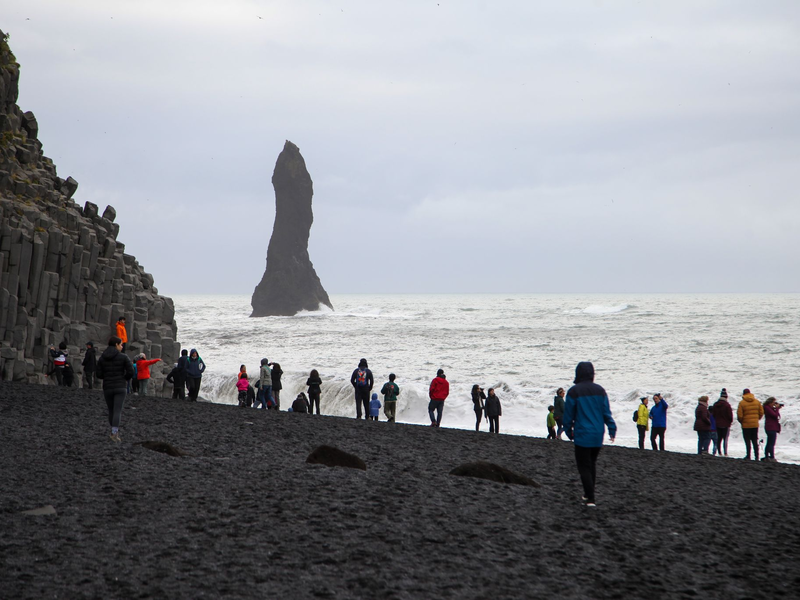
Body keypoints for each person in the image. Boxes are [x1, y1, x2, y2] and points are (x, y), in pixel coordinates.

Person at [562, 362, 616, 508]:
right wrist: (612, 428)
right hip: (598, 434)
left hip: (582, 433)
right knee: (591, 464)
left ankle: (590, 498)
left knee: (584, 466)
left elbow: (568, 414)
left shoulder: (574, 391)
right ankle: (587, 494)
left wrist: (568, 431)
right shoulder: (600, 390)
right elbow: (606, 412)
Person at [95, 336, 134, 442]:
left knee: (111, 410)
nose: (122, 346)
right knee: (117, 410)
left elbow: (98, 374)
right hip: (120, 386)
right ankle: (114, 433)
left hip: (107, 387)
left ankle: (113, 431)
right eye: (121, 344)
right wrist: (124, 378)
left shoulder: (102, 358)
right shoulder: (123, 357)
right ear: (116, 345)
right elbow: (131, 371)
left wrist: (107, 377)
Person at [737, 388, 764, 460]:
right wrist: (757, 419)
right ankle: (756, 456)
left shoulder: (742, 403)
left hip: (746, 425)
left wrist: (742, 421)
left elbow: (740, 415)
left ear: (743, 394)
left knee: (747, 440)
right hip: (755, 424)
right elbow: (761, 412)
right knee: (755, 440)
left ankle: (748, 455)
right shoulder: (757, 402)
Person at [711, 389, 733, 456]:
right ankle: (725, 453)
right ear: (726, 397)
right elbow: (730, 416)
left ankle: (719, 452)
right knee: (725, 440)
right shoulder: (727, 405)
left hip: (717, 424)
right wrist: (730, 422)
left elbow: (713, 414)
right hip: (725, 424)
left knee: (718, 439)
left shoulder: (715, 404)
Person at [763, 397, 783, 462]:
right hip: (770, 427)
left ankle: (767, 456)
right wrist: (777, 409)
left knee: (769, 442)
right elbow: (774, 415)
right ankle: (771, 456)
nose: (774, 404)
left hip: (770, 427)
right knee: (771, 442)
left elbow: (774, 415)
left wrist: (776, 408)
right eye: (774, 403)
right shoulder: (767, 408)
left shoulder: (768, 408)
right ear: (770, 403)